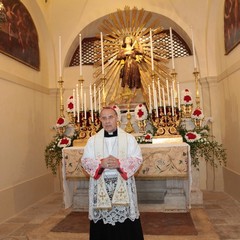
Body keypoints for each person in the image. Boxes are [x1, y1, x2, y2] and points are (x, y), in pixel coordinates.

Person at [81, 106, 144, 240]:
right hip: (101, 186)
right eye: (104, 118)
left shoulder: (129, 139)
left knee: (125, 225)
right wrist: (101, 163)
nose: (107, 121)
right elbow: (85, 160)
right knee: (103, 221)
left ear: (117, 118)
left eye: (110, 117)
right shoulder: (92, 140)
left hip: (123, 186)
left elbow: (137, 158)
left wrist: (120, 163)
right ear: (100, 120)